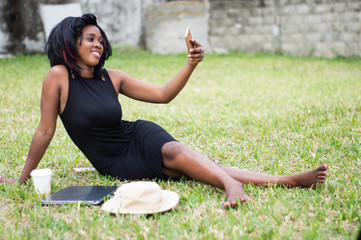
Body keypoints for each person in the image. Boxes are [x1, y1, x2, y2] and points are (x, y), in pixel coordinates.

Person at [0, 14, 328, 208]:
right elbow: (45, 130)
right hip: (114, 162)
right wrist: (22, 178)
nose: (98, 44)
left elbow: (162, 95)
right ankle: (274, 181)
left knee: (179, 155)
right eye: (90, 39)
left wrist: (191, 64)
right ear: (69, 43)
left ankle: (269, 182)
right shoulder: (57, 77)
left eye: (100, 40)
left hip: (138, 135)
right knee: (187, 166)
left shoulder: (113, 78)